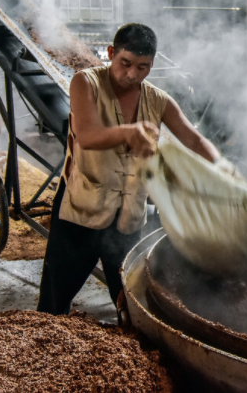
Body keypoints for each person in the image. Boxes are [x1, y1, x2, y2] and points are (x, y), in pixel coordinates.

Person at [37, 23, 227, 315]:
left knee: (134, 306)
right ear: (111, 53)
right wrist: (129, 133)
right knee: (53, 303)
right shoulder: (85, 83)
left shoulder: (158, 100)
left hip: (127, 221)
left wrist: (222, 168)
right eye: (125, 63)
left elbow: (195, 139)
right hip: (80, 213)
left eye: (143, 67)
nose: (132, 74)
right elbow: (86, 136)